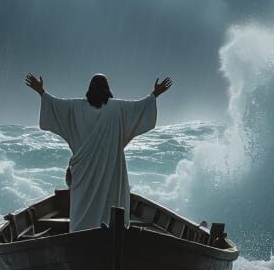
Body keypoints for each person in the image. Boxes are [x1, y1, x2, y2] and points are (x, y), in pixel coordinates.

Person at [25, 72, 173, 232]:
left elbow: (54, 105)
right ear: (107, 89)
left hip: (83, 174)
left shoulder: (75, 108)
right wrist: (155, 94)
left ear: (90, 89)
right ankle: (113, 233)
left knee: (83, 210)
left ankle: (81, 236)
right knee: (110, 207)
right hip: (111, 171)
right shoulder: (118, 109)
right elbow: (141, 107)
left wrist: (41, 91)